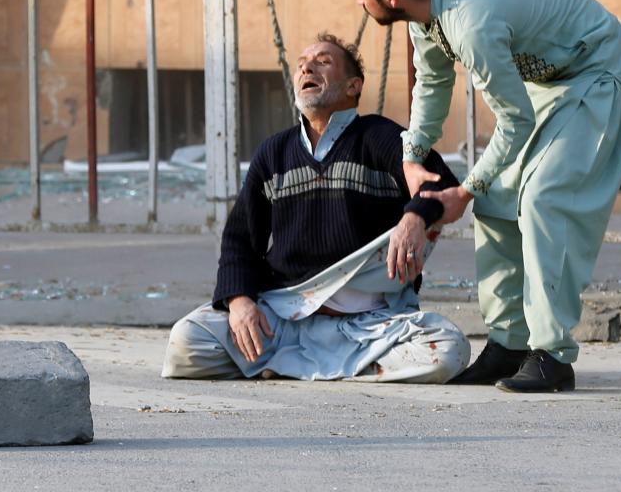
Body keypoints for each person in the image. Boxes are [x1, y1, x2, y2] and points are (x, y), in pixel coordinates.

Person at [338, 0, 621, 392]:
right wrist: (411, 157)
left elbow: (514, 121)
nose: (358, 2)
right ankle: (509, 344)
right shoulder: (425, 6)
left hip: (596, 74)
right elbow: (432, 84)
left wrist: (464, 189)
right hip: (551, 86)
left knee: (543, 199)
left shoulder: (471, 21)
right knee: (497, 200)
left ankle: (552, 355)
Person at [162, 33, 470, 383]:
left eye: (323, 61)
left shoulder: (380, 137)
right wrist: (239, 302)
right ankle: (351, 368)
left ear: (353, 86)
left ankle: (285, 366)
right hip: (282, 318)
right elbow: (239, 241)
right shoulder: (272, 153)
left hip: (370, 325)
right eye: (301, 64)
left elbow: (440, 182)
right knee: (186, 342)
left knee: (447, 349)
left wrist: (415, 216)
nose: (306, 67)